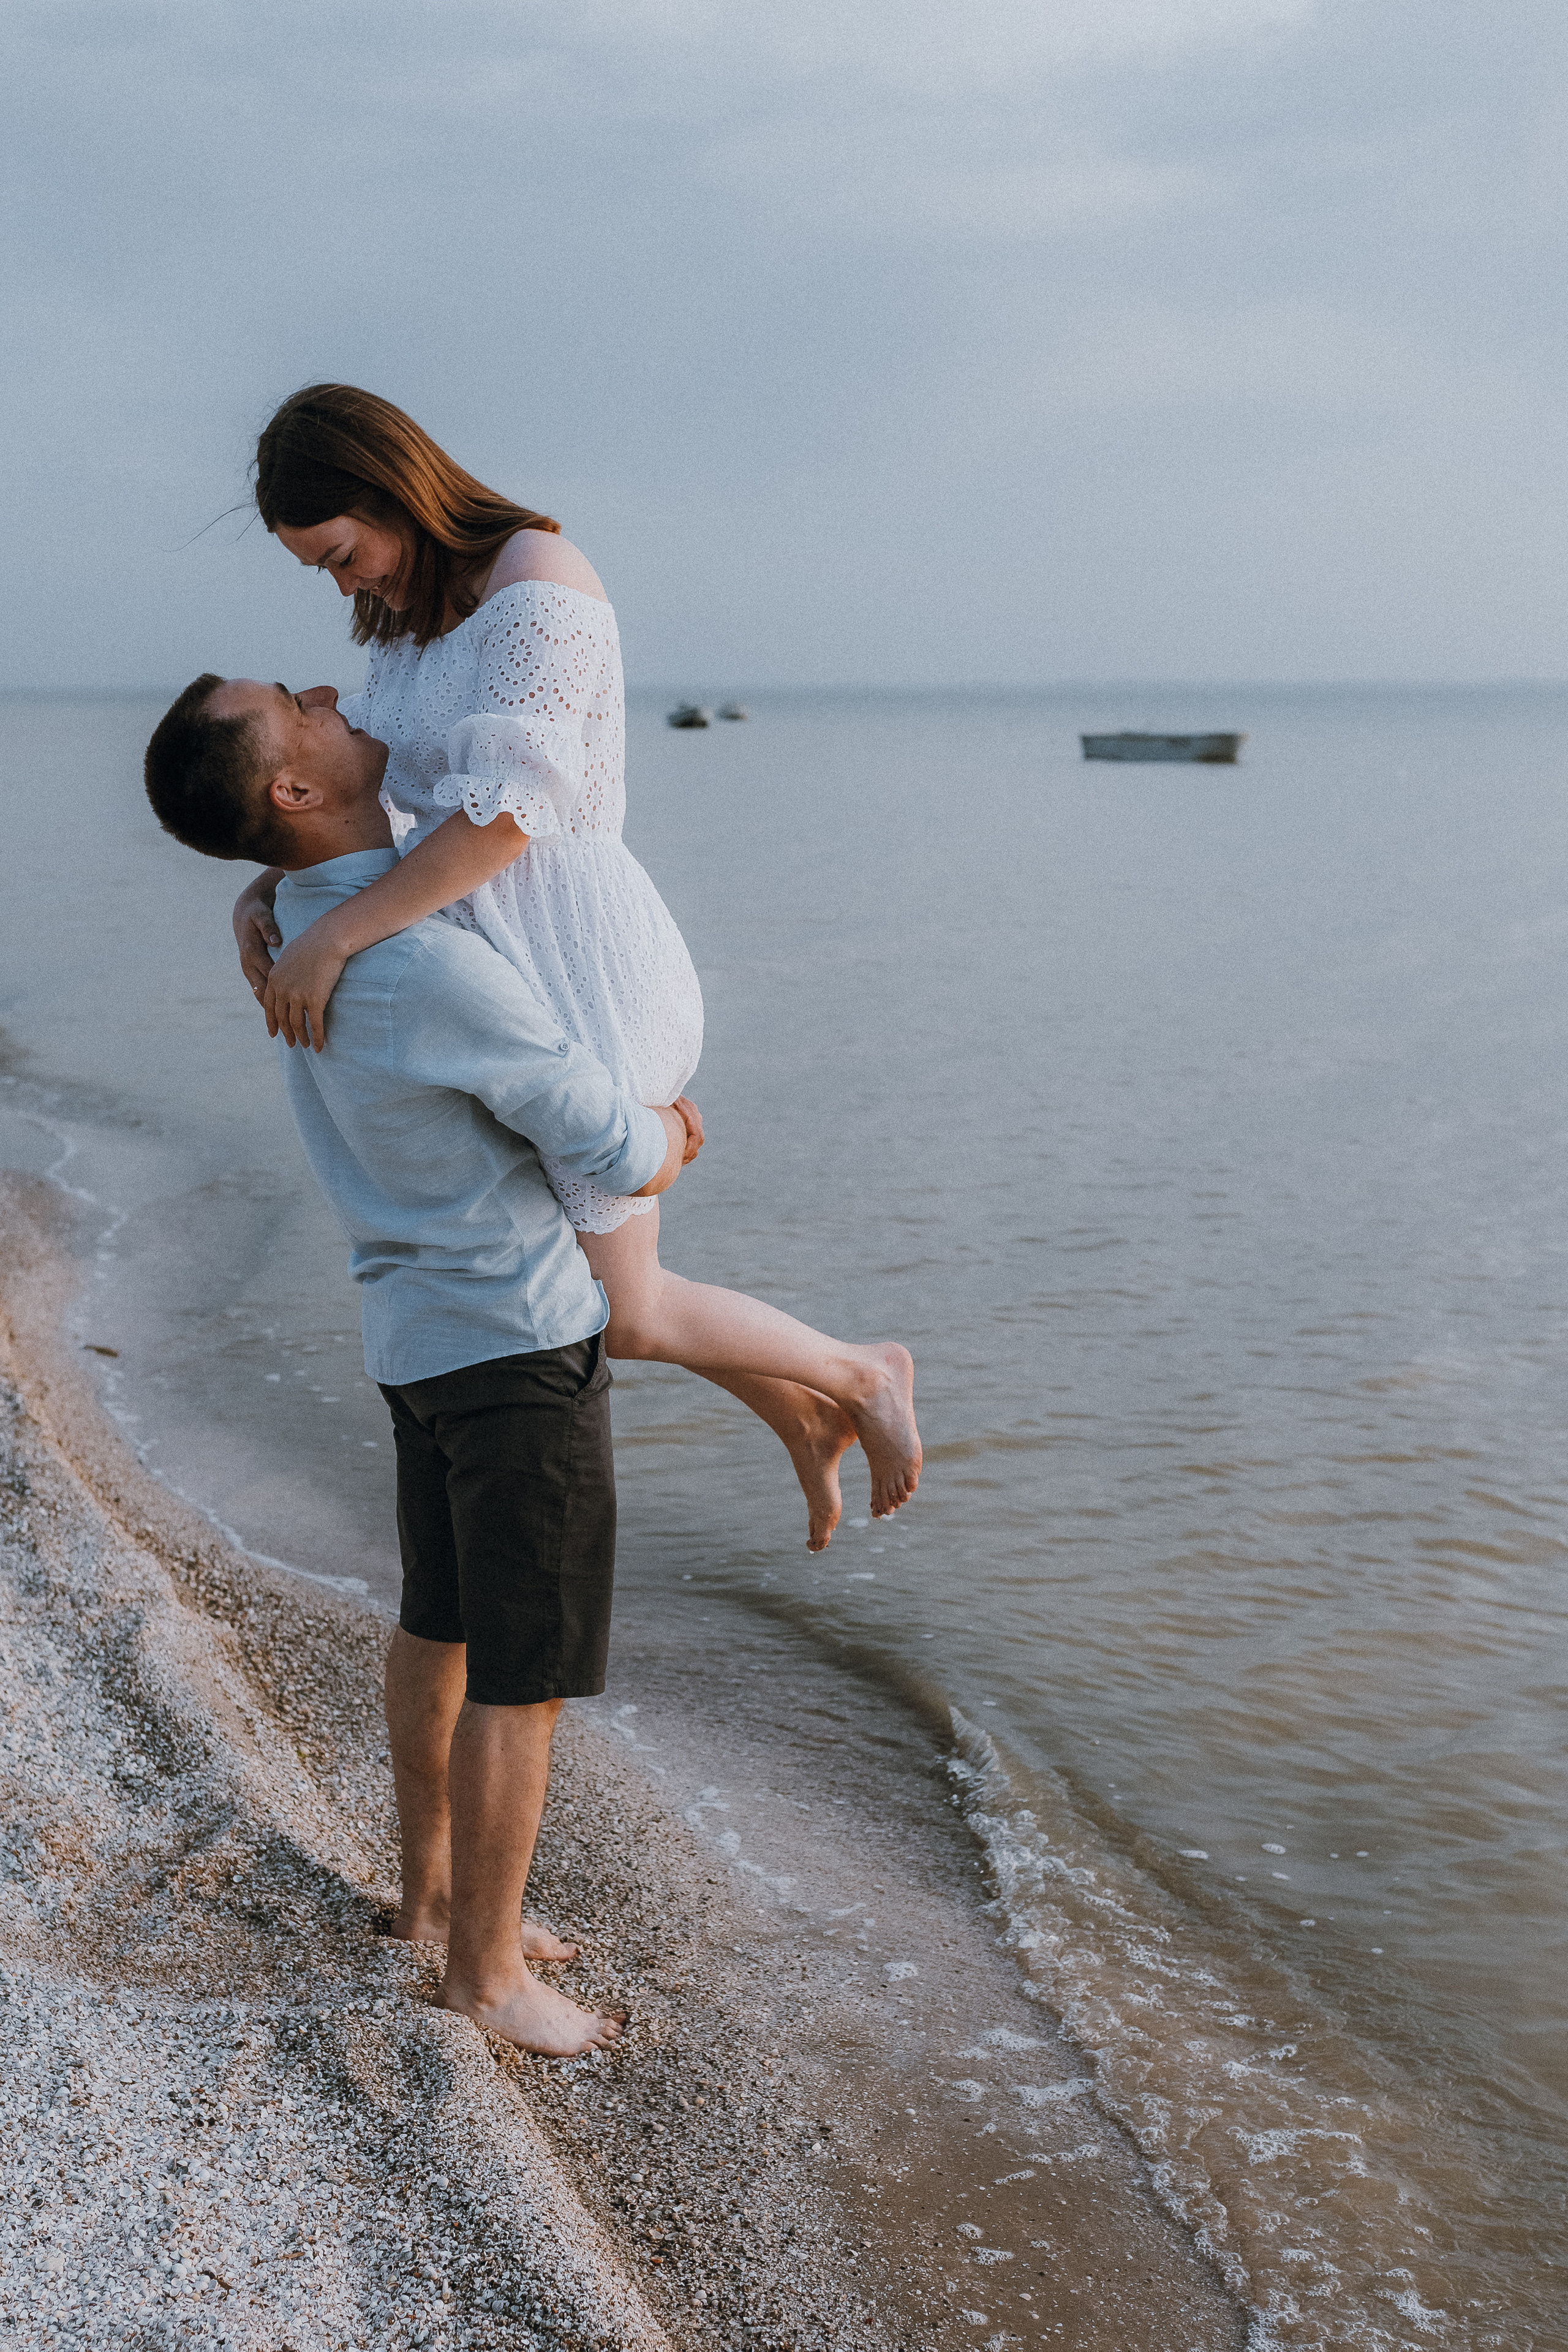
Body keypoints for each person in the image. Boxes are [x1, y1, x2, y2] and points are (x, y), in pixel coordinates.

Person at [230, 383, 919, 1553]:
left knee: (624, 1310)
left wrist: (336, 935)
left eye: (342, 554)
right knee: (588, 1295)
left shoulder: (537, 580)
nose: (342, 586)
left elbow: (508, 818)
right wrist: (266, 892)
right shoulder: (403, 628)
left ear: (393, 490)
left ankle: (858, 1373)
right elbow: (372, 806)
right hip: (495, 984)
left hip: (582, 969)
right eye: (319, 572)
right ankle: (801, 1409)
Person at [145, 674, 698, 2055]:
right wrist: (675, 1131)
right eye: (298, 706)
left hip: (416, 1341)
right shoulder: (417, 963)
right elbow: (606, 1143)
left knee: (439, 1617)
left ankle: (432, 1894)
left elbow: (325, 896)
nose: (331, 694)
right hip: (513, 1342)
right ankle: (485, 1976)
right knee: (526, 1671)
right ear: (292, 788)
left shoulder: (297, 928)